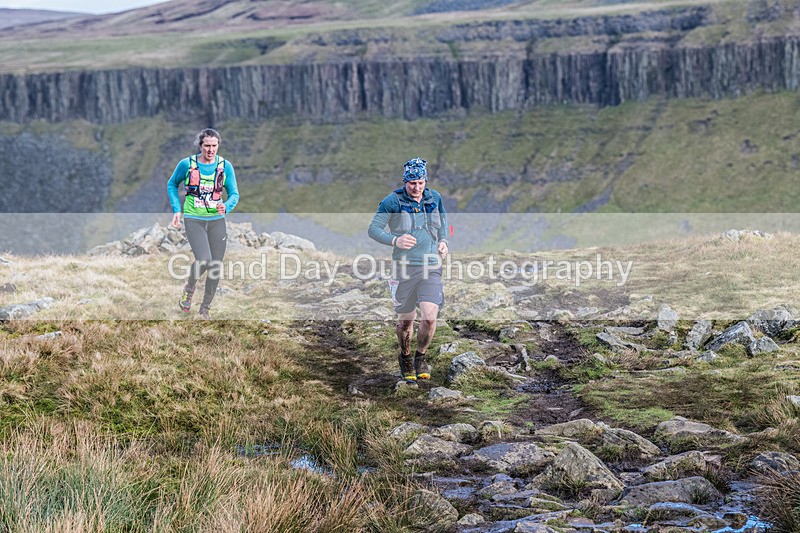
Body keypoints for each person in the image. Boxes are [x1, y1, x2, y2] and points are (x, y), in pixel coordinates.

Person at [368, 157, 449, 381]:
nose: (417, 187)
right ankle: (404, 357)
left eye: (420, 182)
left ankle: (420, 357)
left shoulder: (435, 198)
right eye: (412, 183)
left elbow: (443, 222)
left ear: (425, 180)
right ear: (405, 181)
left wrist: (443, 241)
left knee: (430, 318)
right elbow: (373, 229)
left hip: (431, 267)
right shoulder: (392, 202)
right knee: (405, 322)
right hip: (403, 270)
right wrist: (395, 241)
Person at [167, 128, 239, 319]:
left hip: (216, 221)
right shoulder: (187, 164)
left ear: (218, 146)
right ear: (200, 145)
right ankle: (189, 288)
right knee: (205, 259)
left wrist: (227, 206)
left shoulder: (225, 166)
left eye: (214, 146)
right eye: (207, 145)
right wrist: (177, 209)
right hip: (194, 219)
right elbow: (172, 184)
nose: (210, 150)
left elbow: (234, 194)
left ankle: (205, 309)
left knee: (215, 266)